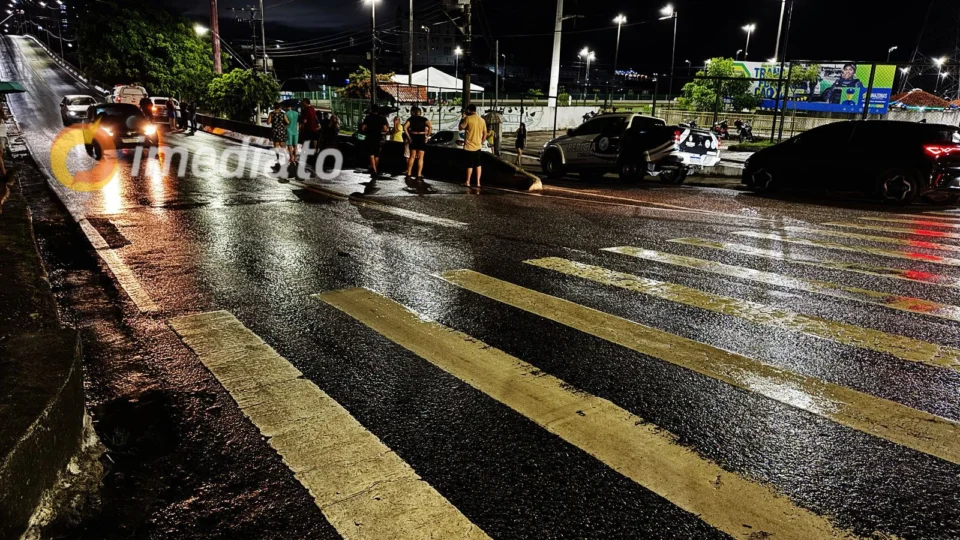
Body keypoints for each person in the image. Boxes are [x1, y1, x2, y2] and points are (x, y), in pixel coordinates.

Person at [459, 103, 487, 187]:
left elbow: (460, 127)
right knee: (478, 164)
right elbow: (485, 133)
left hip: (469, 146)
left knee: (469, 164)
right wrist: (481, 142)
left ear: (468, 110)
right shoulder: (482, 120)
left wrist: (462, 118)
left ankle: (467, 181)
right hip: (478, 146)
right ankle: (478, 182)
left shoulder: (468, 118)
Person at [360, 105, 389, 180]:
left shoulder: (368, 117)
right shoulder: (382, 118)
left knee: (371, 153)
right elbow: (385, 129)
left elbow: (363, 128)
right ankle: (375, 168)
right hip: (378, 137)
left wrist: (367, 130)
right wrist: (381, 131)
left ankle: (374, 170)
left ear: (371, 110)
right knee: (377, 154)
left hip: (370, 137)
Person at [404, 106, 432, 180]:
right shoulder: (424, 119)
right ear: (420, 112)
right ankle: (419, 174)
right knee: (420, 157)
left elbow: (405, 127)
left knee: (412, 156)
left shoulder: (411, 119)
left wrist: (409, 137)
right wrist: (427, 137)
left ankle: (409, 172)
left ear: (414, 112)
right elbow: (430, 127)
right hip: (421, 137)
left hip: (413, 137)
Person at [299, 98, 320, 168]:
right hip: (314, 129)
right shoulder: (312, 108)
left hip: (308, 129)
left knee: (306, 143)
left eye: (303, 102)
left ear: (305, 102)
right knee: (314, 144)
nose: (302, 103)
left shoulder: (306, 109)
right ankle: (315, 156)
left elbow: (304, 120)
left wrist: (301, 124)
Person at [268, 102, 288, 169]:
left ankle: (278, 161)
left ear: (274, 107)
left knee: (276, 146)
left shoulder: (271, 113)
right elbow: (287, 122)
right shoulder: (283, 114)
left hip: (275, 131)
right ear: (279, 107)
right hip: (281, 131)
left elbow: (268, 122)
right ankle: (286, 159)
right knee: (283, 145)